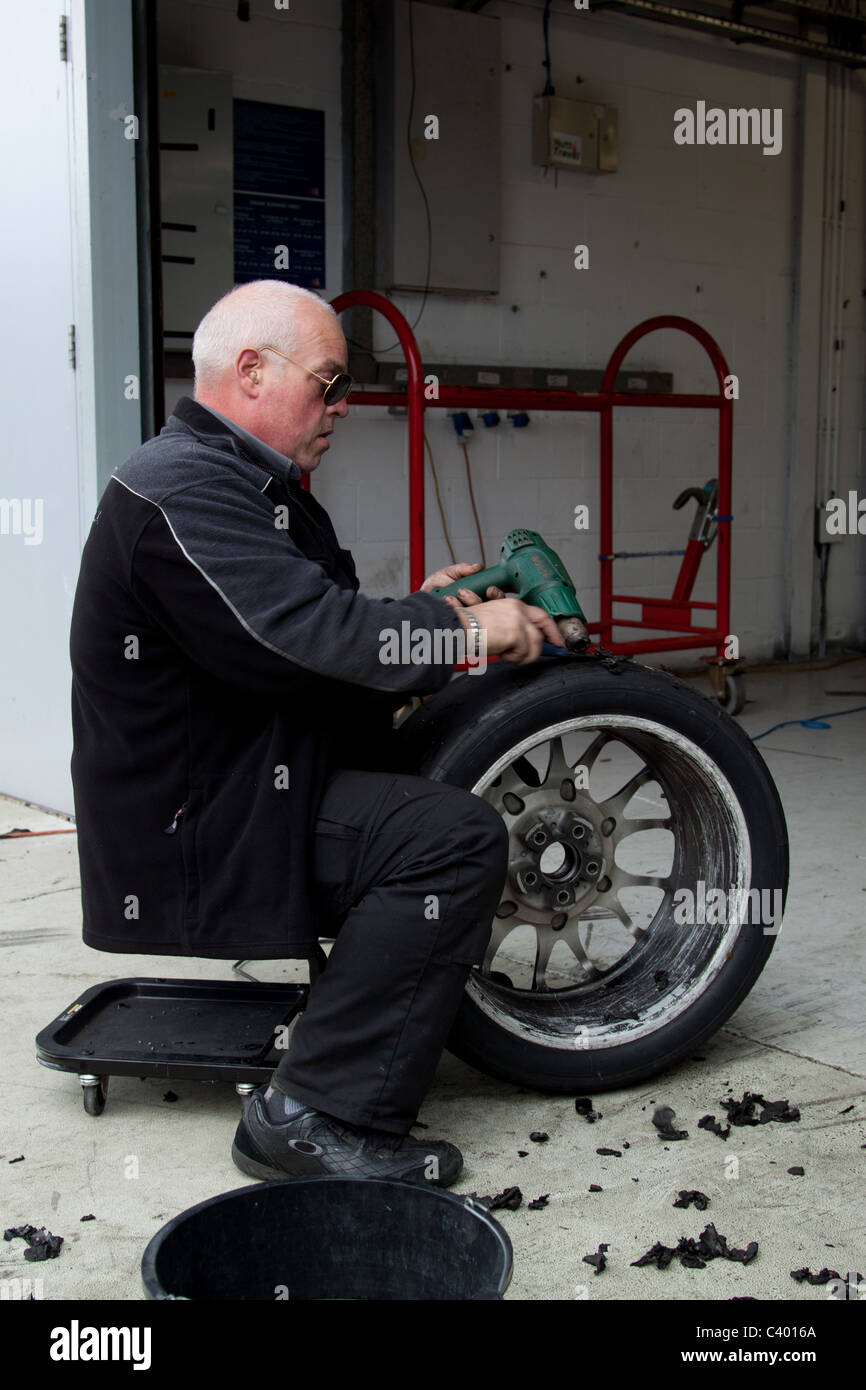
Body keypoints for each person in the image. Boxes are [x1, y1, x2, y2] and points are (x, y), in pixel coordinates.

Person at [69, 280, 564, 1186]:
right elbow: (306, 642)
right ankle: (313, 1116)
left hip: (244, 776)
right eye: (330, 382)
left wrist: (428, 610)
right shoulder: (180, 489)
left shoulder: (254, 487)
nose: (343, 406)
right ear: (251, 370)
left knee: (419, 799)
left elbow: (310, 638)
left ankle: (355, 1025)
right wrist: (461, 633)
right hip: (200, 824)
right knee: (448, 841)